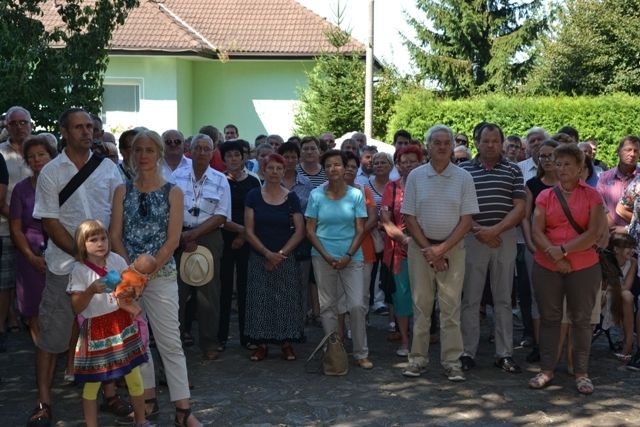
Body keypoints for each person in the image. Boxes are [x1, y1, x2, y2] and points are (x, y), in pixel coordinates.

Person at [28, 108, 125, 427]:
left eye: (89, 127)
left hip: (103, 266)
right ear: (64, 132)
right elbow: (50, 222)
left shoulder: (109, 169)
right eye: (78, 127)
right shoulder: (51, 172)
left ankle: (110, 394)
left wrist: (108, 259)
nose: (86, 132)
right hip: (64, 265)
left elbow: (116, 218)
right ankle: (43, 402)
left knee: (107, 331)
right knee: (52, 336)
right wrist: (83, 256)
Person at [110, 128, 202, 427]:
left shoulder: (173, 192)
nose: (144, 155)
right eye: (138, 150)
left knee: (170, 342)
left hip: (161, 276)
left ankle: (183, 409)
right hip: (129, 278)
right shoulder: (122, 191)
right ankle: (146, 402)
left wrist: (146, 271)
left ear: (159, 154)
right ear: (131, 155)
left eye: (150, 150)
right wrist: (132, 273)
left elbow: (173, 239)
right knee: (137, 343)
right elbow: (115, 235)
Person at [400, 126, 479, 381]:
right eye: (437, 142)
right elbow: (409, 217)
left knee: (450, 308)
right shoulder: (416, 176)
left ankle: (452, 362)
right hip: (420, 249)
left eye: (447, 142)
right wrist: (430, 251)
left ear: (453, 146)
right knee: (421, 307)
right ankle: (417, 360)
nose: (442, 146)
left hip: (453, 249)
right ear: (428, 146)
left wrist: (442, 250)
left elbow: (467, 220)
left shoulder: (464, 177)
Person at [528, 143, 605, 395]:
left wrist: (562, 251)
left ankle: (581, 373)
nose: (561, 168)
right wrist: (555, 255)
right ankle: (546, 370)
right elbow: (537, 230)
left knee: (581, 320)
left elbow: (593, 233)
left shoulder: (592, 196)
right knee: (549, 318)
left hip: (583, 265)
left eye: (567, 164)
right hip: (547, 264)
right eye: (558, 163)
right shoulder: (545, 196)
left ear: (580, 168)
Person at [67, 220, 149, 427]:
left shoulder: (117, 260)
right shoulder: (79, 270)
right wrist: (90, 290)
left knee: (134, 377)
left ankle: (141, 421)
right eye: (93, 240)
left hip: (121, 325)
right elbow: (76, 307)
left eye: (103, 238)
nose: (100, 243)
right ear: (82, 244)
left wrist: (133, 290)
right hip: (96, 330)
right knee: (92, 383)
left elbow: (129, 288)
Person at [459, 123, 526, 374]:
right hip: (472, 237)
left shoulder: (513, 169)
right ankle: (467, 352)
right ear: (476, 142)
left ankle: (504, 353)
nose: (490, 145)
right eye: (485, 141)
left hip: (504, 237)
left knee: (504, 299)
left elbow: (520, 207)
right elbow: (459, 207)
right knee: (470, 298)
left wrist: (495, 231)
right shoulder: (464, 170)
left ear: (501, 142)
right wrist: (481, 231)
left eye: (495, 141)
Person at [305, 150, 372, 369]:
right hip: (322, 256)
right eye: (328, 165)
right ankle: (332, 351)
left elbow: (360, 229)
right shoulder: (316, 195)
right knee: (328, 307)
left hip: (351, 257)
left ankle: (361, 352)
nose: (333, 169)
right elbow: (310, 230)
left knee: (356, 305)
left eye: (337, 164)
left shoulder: (356, 195)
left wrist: (348, 255)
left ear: (345, 168)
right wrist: (326, 255)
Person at [172, 133, 231, 360]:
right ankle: (174, 343)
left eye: (207, 149)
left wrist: (193, 235)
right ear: (191, 150)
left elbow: (222, 215)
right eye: (198, 148)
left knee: (209, 293)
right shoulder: (176, 176)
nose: (202, 152)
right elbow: (169, 209)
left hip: (208, 236)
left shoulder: (220, 179)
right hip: (178, 235)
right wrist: (183, 235)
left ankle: (209, 342)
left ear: (213, 152)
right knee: (177, 292)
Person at [243, 154, 306, 361]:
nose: (275, 172)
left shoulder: (291, 198)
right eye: (270, 168)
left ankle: (286, 343)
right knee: (260, 300)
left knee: (286, 299)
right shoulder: (253, 195)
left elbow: (300, 231)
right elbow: (249, 230)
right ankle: (261, 343)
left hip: (285, 257)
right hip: (259, 255)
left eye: (279, 168)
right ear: (263, 170)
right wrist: (266, 254)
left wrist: (279, 255)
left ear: (284, 171)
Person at [9, 136, 56, 344]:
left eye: (41, 154)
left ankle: (65, 357)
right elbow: (15, 228)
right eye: (31, 156)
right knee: (34, 309)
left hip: (61, 253)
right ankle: (41, 350)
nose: (36, 159)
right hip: (30, 255)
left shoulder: (63, 186)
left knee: (62, 308)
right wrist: (31, 257)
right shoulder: (21, 189)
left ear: (52, 156)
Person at [380, 145, 423, 357]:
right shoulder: (392, 188)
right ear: (397, 165)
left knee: (423, 297)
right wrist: (404, 239)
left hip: (427, 250)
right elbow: (385, 220)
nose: (408, 165)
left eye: (412, 161)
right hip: (399, 252)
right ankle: (406, 340)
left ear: (421, 162)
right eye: (403, 162)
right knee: (402, 298)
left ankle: (421, 341)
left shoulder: (429, 185)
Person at [218, 140, 261, 350]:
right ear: (224, 159)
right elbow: (217, 213)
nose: (233, 159)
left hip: (248, 240)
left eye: (237, 155)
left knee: (246, 289)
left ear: (243, 157)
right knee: (223, 289)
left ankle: (248, 337)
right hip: (222, 238)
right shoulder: (218, 180)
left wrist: (243, 235)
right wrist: (238, 231)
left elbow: (258, 210)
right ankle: (220, 337)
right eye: (229, 156)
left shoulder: (253, 181)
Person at [521, 139, 559, 363]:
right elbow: (525, 218)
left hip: (563, 249)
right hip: (535, 249)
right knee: (537, 297)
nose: (546, 160)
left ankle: (557, 345)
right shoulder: (532, 185)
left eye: (550, 155)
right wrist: (530, 243)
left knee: (559, 298)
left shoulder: (567, 185)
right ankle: (539, 345)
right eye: (542, 156)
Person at [0, 106, 33, 348]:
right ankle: (4, 324)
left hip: (37, 227)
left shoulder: (41, 150)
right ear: (7, 126)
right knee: (6, 280)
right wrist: (16, 219)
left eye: (23, 122)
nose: (19, 127)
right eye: (14, 123)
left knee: (32, 275)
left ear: (30, 124)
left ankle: (28, 319)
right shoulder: (0, 153)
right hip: (5, 225)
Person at [278, 142, 315, 324]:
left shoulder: (306, 183)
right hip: (277, 237)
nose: (290, 160)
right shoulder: (272, 180)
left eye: (293, 157)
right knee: (279, 283)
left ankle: (298, 324)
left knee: (300, 283)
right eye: (286, 156)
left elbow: (311, 211)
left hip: (301, 238)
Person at [600, 233, 637, 361]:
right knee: (622, 295)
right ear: (616, 249)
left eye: (633, 247)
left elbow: (626, 286)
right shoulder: (606, 261)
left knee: (627, 296)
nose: (632, 250)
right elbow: (603, 286)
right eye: (628, 247)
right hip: (604, 295)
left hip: (620, 297)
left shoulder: (632, 262)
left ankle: (628, 344)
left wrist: (633, 264)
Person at [598, 136, 640, 233]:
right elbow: (599, 205)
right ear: (618, 151)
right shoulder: (605, 177)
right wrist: (613, 229)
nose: (632, 154)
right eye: (628, 150)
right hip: (611, 235)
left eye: (636, 151)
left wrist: (627, 230)